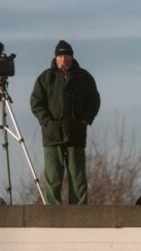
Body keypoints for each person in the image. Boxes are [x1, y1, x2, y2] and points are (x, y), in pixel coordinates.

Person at [31, 40, 101, 204]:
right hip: (52, 133)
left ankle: (78, 212)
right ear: (56, 58)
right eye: (60, 56)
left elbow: (94, 101)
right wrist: (47, 120)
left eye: (67, 55)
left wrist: (85, 120)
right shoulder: (45, 77)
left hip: (76, 132)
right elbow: (36, 102)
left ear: (72, 57)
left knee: (77, 176)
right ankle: (53, 211)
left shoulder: (84, 77)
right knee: (53, 175)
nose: (64, 59)